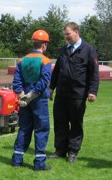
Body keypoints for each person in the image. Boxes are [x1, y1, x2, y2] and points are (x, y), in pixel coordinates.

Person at [48, 22, 99, 163]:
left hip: (78, 93)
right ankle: (60, 150)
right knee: (60, 122)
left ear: (76, 32)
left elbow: (94, 73)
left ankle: (72, 152)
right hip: (62, 93)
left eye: (68, 34)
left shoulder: (88, 49)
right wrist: (51, 87)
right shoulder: (63, 50)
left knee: (76, 123)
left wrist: (93, 91)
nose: (66, 37)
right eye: (65, 34)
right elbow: (57, 70)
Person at [11, 30, 52, 171]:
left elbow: (17, 81)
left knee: (24, 128)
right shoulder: (46, 61)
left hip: (24, 100)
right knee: (41, 130)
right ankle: (39, 163)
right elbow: (44, 80)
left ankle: (17, 160)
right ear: (44, 45)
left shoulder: (22, 60)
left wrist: (22, 95)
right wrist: (32, 95)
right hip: (39, 100)